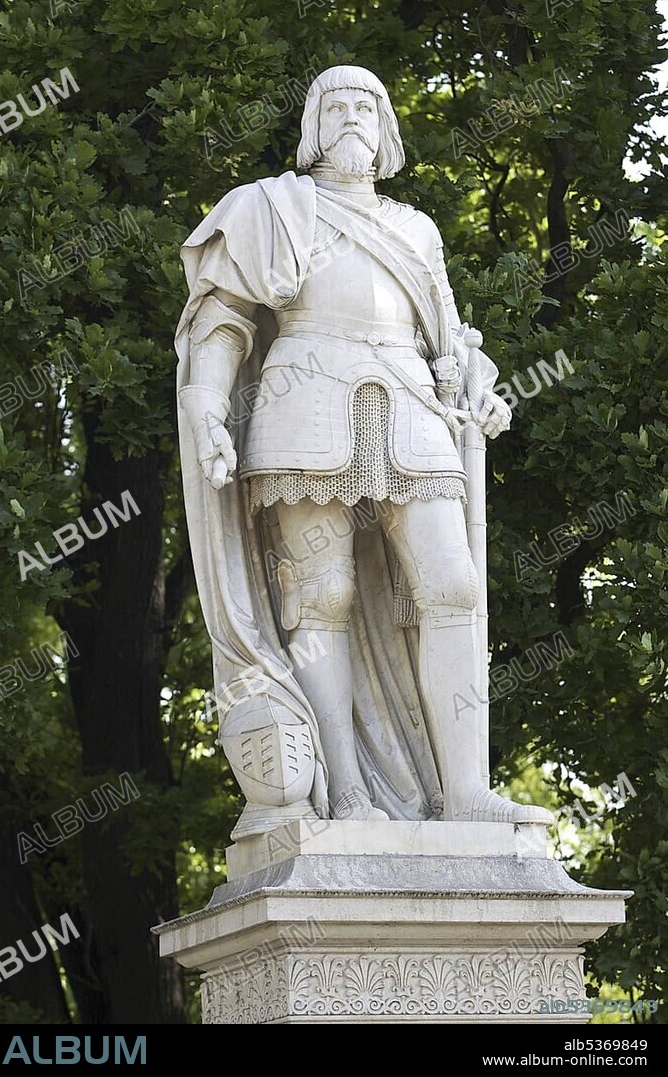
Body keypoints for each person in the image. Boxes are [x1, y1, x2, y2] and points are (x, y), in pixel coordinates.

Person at [175, 65, 552, 831]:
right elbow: (221, 319)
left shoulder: (417, 229)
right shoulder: (270, 209)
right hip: (302, 403)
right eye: (335, 105)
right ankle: (344, 791)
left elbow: (449, 342)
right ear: (314, 125)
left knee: (453, 586)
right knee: (324, 597)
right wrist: (209, 404)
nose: (352, 117)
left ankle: (465, 791)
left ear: (385, 131)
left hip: (411, 405)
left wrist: (477, 382)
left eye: (366, 107)